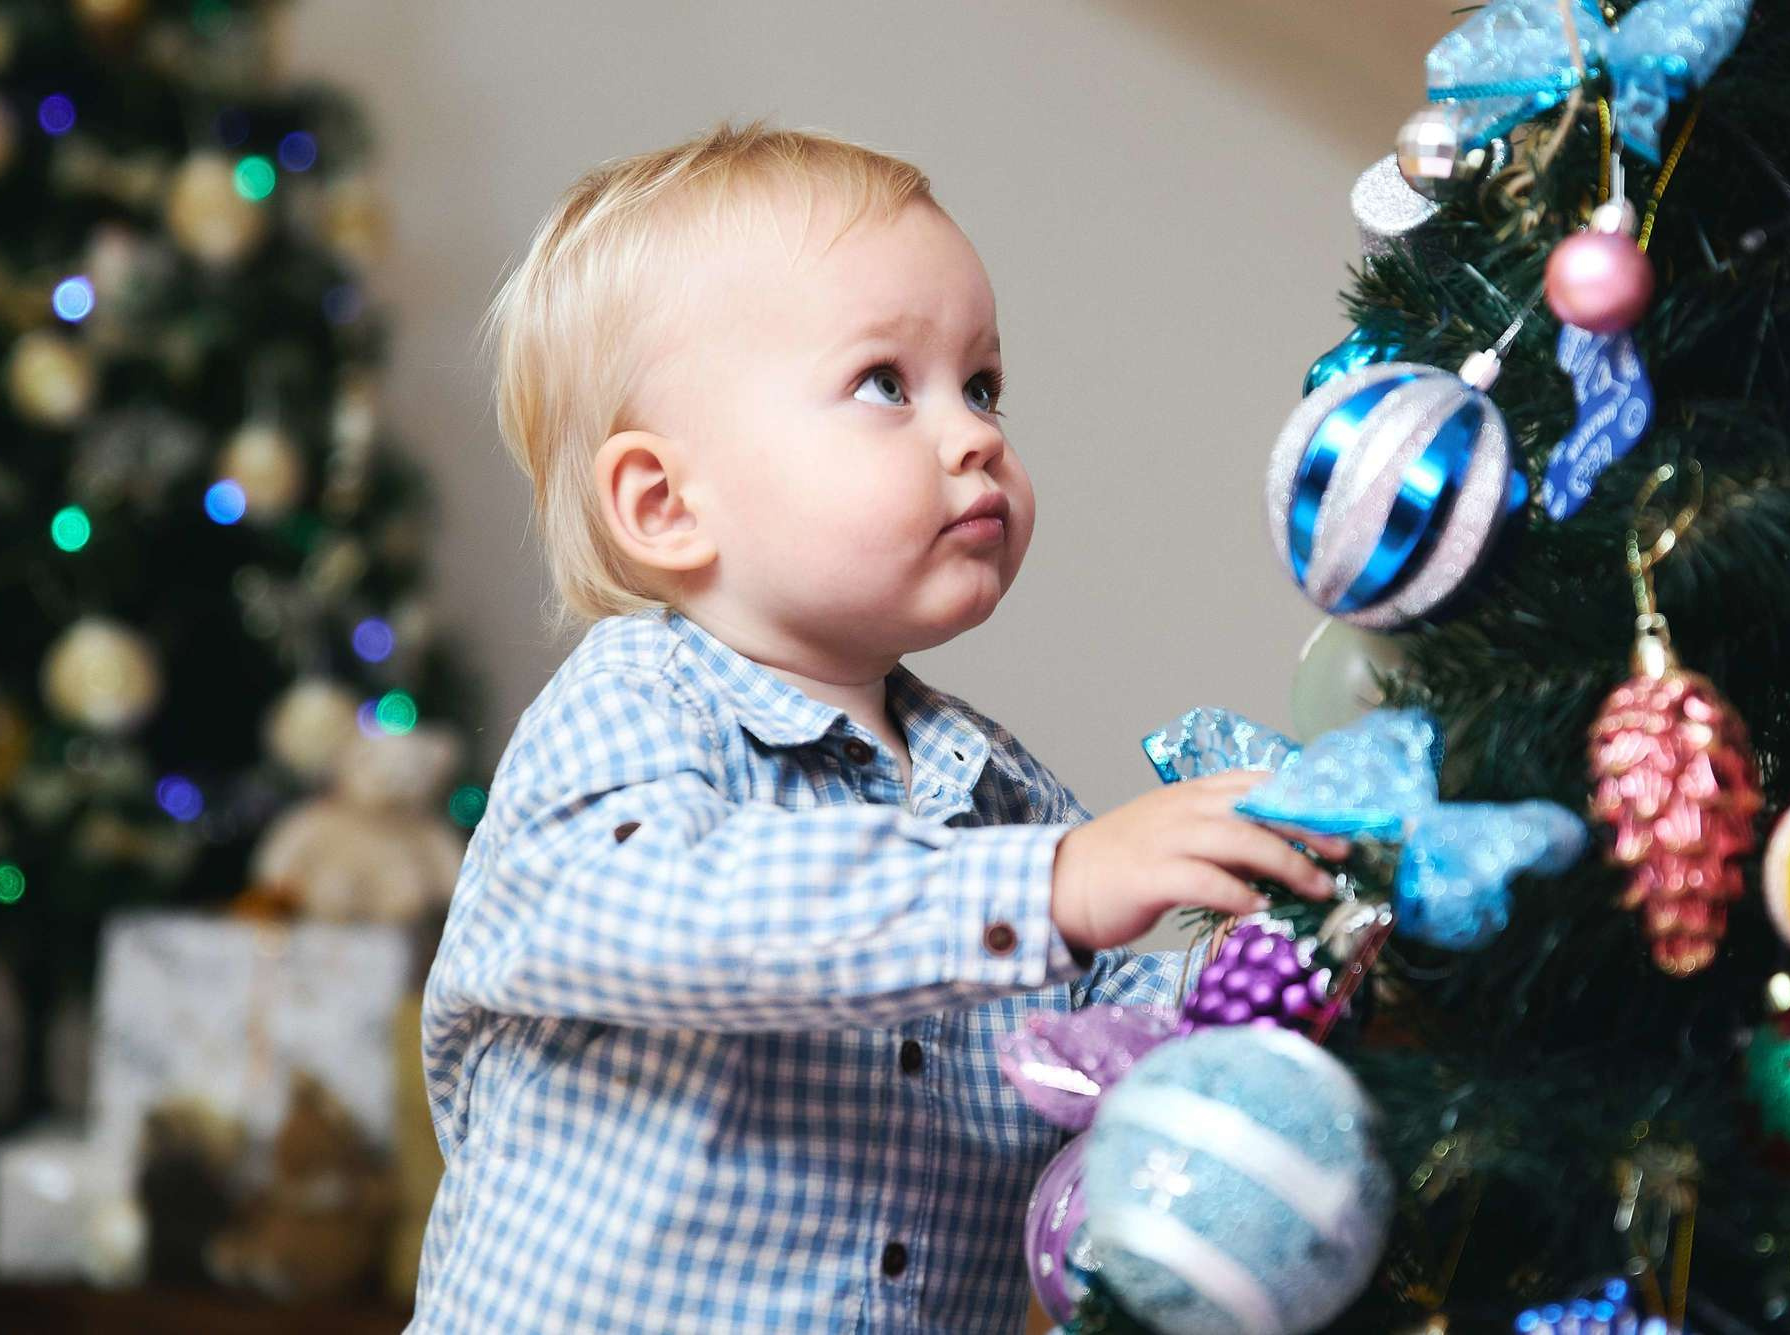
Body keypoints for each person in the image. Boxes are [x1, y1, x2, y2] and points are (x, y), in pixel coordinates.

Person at [410, 119, 1342, 1334]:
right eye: (884, 385)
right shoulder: (629, 710)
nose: (977, 436)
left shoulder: (1000, 794)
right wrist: (1053, 886)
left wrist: (1276, 967)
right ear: (664, 502)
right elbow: (673, 912)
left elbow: (1116, 1035)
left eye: (984, 385)